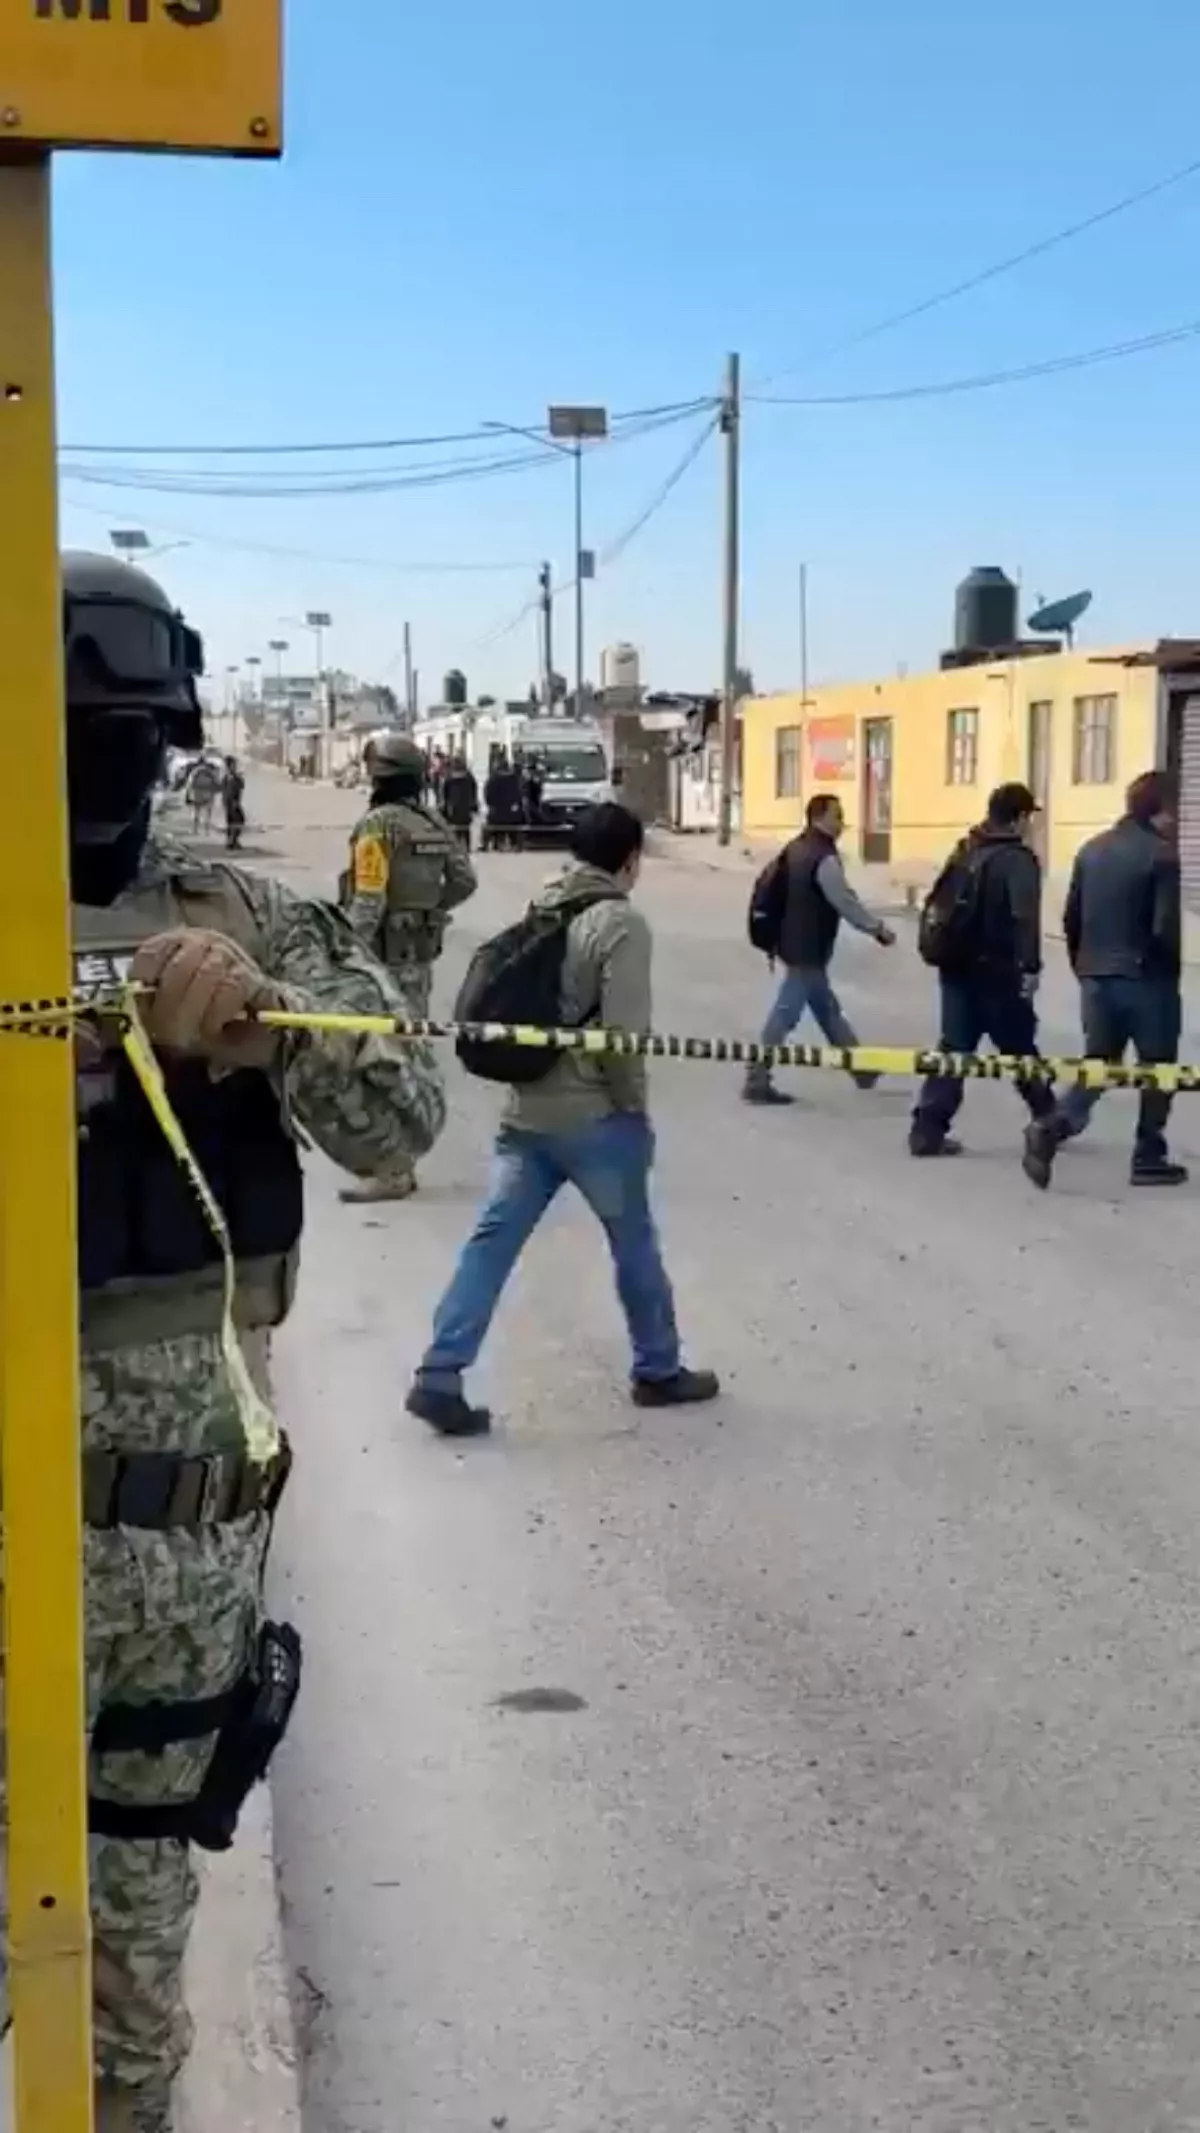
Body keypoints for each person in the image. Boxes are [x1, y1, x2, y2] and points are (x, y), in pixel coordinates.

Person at [55, 552, 445, 2132]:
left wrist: (267, 1015)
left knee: (137, 1985)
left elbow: (401, 1117)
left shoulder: (242, 915)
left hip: (190, 1549)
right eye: (79, 730)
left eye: (132, 734)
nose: (107, 766)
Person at [406, 801, 719, 1437]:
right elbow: (623, 1039)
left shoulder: (543, 904)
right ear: (631, 860)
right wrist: (633, 1109)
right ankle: (658, 1368)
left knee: (490, 1245)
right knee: (632, 1242)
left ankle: (439, 1372)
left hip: (526, 1112)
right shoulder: (620, 924)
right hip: (594, 1118)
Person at [1023, 770, 1186, 1190]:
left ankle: (1053, 1126)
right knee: (1159, 1070)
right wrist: (1168, 979)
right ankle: (1149, 1154)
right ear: (1162, 811)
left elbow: (1071, 918)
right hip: (1146, 979)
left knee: (1100, 1063)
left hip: (1096, 977)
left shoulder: (1091, 850)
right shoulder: (1162, 855)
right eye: (1175, 809)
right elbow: (1165, 928)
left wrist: (1085, 966)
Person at [338, 728, 476, 1202]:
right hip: (417, 957)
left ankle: (392, 1168)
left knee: (380, 1063)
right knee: (406, 1054)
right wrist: (427, 911)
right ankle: (402, 1164)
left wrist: (343, 950)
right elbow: (464, 880)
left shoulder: (379, 827)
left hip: (380, 961)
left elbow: (368, 901)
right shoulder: (431, 822)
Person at [909, 781, 1055, 1158]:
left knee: (954, 1047)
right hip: (998, 971)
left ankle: (927, 1130)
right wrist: (1031, 967)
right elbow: (1025, 917)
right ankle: (1051, 1118)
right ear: (1021, 817)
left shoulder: (966, 848)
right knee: (1020, 1045)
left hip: (955, 965)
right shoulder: (1017, 860)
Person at [743, 793, 896, 1106]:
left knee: (826, 1009)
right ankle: (756, 1076)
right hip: (807, 947)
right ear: (819, 818)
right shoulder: (822, 857)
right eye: (837, 816)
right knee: (786, 1013)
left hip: (793, 941)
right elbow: (844, 901)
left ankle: (860, 1067)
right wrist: (876, 929)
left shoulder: (796, 848)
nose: (843, 823)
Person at [484, 748, 523, 850]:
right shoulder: (513, 779)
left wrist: (490, 804)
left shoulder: (493, 778)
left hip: (497, 809)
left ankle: (495, 843)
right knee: (512, 827)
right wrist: (516, 804)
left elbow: (488, 793)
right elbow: (518, 793)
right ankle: (514, 844)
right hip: (510, 810)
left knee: (494, 826)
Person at [441, 752, 480, 851]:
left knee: (455, 829)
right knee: (466, 829)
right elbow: (474, 790)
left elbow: (445, 792)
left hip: (453, 806)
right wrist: (474, 805)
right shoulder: (468, 777)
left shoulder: (449, 776)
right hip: (465, 806)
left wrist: (445, 805)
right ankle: (467, 847)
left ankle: (456, 847)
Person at [187, 754, 219, 837]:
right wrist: (214, 791)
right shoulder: (209, 771)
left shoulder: (195, 771)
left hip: (197, 793)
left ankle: (195, 830)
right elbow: (215, 781)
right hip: (208, 793)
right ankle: (206, 831)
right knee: (207, 813)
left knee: (196, 812)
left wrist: (189, 794)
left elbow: (190, 783)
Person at [220, 754, 246, 851]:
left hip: (229, 803)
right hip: (231, 803)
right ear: (229, 766)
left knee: (233, 822)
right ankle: (231, 841)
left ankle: (232, 841)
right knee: (237, 821)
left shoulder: (229, 777)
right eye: (233, 765)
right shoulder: (230, 778)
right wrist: (234, 802)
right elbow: (230, 791)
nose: (235, 766)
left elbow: (241, 786)